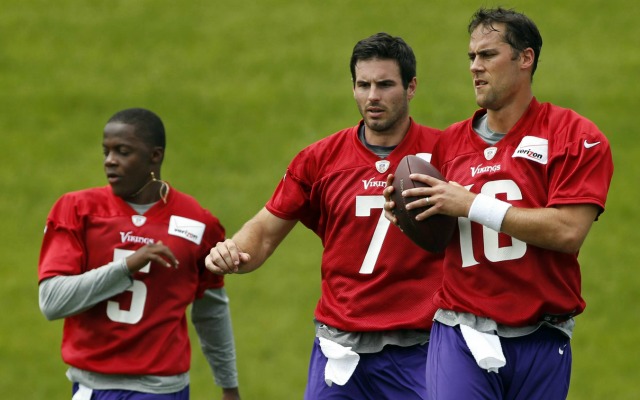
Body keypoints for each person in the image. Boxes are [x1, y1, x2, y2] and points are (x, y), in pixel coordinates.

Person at [383, 7, 614, 400]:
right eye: (471, 56)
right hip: (462, 332)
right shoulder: (446, 146)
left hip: (543, 336)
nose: (475, 67)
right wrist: (404, 214)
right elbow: (434, 238)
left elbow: (568, 231)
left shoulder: (575, 136)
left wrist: (471, 204)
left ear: (526, 58)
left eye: (488, 55)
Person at [205, 33, 443, 399]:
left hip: (419, 349)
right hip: (339, 347)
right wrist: (234, 251)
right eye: (363, 85)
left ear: (411, 87)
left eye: (384, 84)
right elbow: (265, 231)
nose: (372, 96)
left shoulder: (444, 154)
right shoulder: (319, 159)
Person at [38, 108, 241, 400]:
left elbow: (211, 310)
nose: (110, 161)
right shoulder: (76, 210)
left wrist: (229, 386)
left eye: (122, 152)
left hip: (161, 389)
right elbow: (52, 302)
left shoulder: (198, 224)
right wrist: (127, 266)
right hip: (92, 387)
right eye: (106, 151)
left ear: (154, 156)